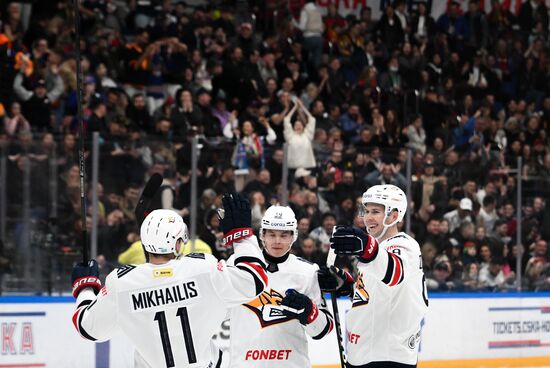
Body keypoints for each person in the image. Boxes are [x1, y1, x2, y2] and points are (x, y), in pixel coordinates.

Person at [71, 194, 268, 368]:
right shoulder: (201, 268)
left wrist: (85, 287)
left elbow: (88, 328)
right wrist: (241, 237)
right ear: (176, 243)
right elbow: (255, 279)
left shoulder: (122, 283)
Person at [323, 184, 428, 368]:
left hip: (387, 358)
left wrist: (367, 247)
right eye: (367, 211)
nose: (368, 217)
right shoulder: (377, 251)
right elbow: (378, 295)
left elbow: (394, 273)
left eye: (376, 211)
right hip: (364, 354)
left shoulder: (404, 246)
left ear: (394, 216)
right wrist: (348, 287)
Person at [227, 205, 333, 367]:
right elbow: (218, 311)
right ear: (262, 235)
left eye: (284, 235)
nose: (277, 241)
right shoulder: (238, 264)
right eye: (272, 235)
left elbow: (323, 330)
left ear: (293, 236)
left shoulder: (308, 272)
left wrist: (310, 312)